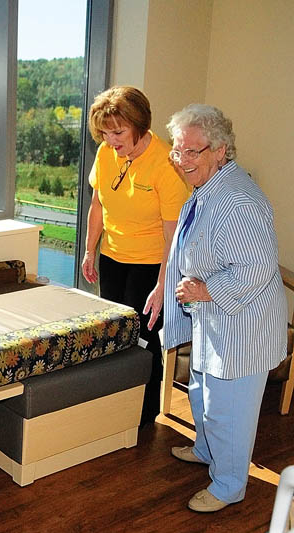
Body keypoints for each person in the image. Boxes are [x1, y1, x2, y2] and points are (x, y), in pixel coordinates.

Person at [164, 104, 287, 513]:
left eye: (192, 152)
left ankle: (229, 485)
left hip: (241, 326)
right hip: (214, 320)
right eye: (177, 151)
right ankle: (206, 449)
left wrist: (205, 289)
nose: (182, 162)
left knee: (228, 411)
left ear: (220, 150)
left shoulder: (238, 201)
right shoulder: (208, 188)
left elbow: (257, 267)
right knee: (202, 393)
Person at [83, 86, 190, 427]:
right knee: (114, 332)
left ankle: (143, 413)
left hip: (150, 264)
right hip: (113, 257)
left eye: (118, 132)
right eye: (104, 132)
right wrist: (89, 249)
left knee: (143, 337)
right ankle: (115, 402)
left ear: (139, 125)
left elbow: (173, 235)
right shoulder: (105, 154)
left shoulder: (165, 163)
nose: (110, 140)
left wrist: (163, 285)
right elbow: (98, 205)